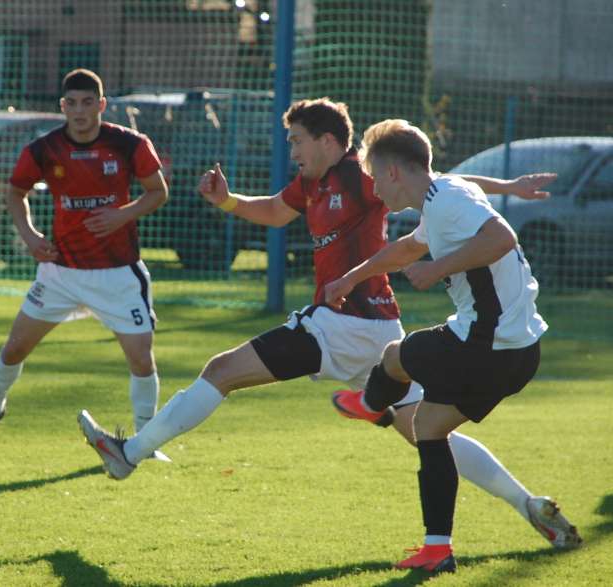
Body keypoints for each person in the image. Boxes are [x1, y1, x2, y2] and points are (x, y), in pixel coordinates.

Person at [77, 98, 576, 549]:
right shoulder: (311, 183)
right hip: (371, 330)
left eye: (296, 140)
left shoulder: (361, 174)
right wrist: (228, 201)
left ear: (329, 142)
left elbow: (432, 180)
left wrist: (506, 188)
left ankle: (131, 453)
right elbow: (274, 211)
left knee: (223, 370)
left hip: (346, 324)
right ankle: (529, 504)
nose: (290, 149)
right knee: (426, 430)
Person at [325, 118, 581, 573]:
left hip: (485, 344)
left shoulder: (447, 199)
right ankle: (438, 549)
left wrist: (439, 267)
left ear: (394, 173)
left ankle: (370, 402)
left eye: (374, 177)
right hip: (519, 351)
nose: (375, 191)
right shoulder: (441, 196)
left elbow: (503, 238)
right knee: (429, 427)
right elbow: (405, 249)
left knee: (394, 357)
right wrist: (350, 278)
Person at [0, 69, 169, 448]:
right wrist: (30, 235)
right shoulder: (43, 149)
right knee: (15, 347)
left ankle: (145, 442)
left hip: (117, 274)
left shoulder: (129, 144)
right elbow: (15, 193)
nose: (80, 111)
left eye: (88, 102)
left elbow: (158, 191)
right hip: (59, 273)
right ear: (62, 106)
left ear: (101, 105)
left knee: (141, 360)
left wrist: (121, 214)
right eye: (72, 103)